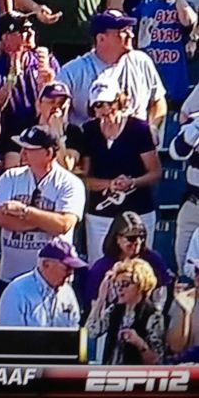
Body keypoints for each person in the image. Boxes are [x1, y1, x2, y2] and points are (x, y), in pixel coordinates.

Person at [0, 125, 85, 285]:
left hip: (53, 279)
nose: (23, 153)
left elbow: (63, 224)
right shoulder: (10, 177)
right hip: (11, 276)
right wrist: (44, 222)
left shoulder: (70, 183)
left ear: (48, 153)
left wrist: (24, 212)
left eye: (29, 149)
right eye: (22, 148)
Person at [81, 80, 162, 265]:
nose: (105, 109)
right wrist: (109, 184)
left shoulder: (139, 129)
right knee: (99, 267)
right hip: (100, 215)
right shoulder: (89, 131)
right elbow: (84, 178)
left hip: (139, 211)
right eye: (99, 104)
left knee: (140, 267)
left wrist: (132, 182)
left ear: (119, 101)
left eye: (109, 103)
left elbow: (155, 172)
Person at [59, 10, 167, 128]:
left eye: (130, 30)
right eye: (123, 31)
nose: (131, 35)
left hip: (136, 141)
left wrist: (152, 128)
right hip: (89, 142)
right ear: (101, 39)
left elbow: (158, 101)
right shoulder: (73, 72)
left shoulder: (142, 62)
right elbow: (55, 110)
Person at [0, 12, 62, 153]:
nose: (30, 33)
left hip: (43, 129)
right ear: (5, 37)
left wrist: (49, 85)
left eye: (30, 28)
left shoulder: (46, 61)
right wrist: (11, 78)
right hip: (11, 134)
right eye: (23, 30)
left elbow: (63, 102)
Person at [136, 0, 195, 105]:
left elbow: (188, 21)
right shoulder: (146, 5)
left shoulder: (185, 7)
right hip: (150, 76)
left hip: (175, 82)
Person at [84, 212, 173, 308]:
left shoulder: (153, 260)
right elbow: (92, 301)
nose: (138, 242)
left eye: (141, 237)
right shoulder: (102, 267)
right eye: (131, 238)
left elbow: (165, 290)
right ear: (117, 238)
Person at [87, 258, 166, 364]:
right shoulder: (114, 310)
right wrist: (101, 299)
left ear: (140, 286)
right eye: (116, 284)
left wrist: (140, 344)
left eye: (125, 284)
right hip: (110, 374)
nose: (119, 289)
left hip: (136, 377)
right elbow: (91, 332)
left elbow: (157, 360)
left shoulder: (153, 316)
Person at [0, 239, 85, 327]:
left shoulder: (67, 293)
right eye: (67, 268)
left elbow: (74, 329)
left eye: (73, 269)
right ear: (46, 264)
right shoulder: (17, 292)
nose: (70, 274)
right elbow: (9, 337)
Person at [170, 113, 199, 272]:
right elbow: (177, 152)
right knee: (185, 269)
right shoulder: (195, 121)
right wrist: (197, 126)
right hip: (193, 205)